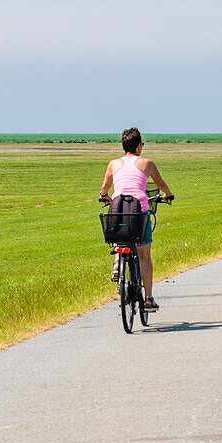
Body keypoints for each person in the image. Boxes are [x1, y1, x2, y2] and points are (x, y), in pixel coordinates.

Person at [99, 128, 174, 311]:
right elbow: (161, 185)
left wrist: (104, 196)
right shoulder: (147, 163)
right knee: (144, 255)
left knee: (120, 236)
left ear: (124, 146)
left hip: (118, 210)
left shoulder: (113, 164)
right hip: (139, 212)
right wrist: (168, 194)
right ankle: (148, 299)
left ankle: (118, 261)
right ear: (139, 146)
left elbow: (104, 188)